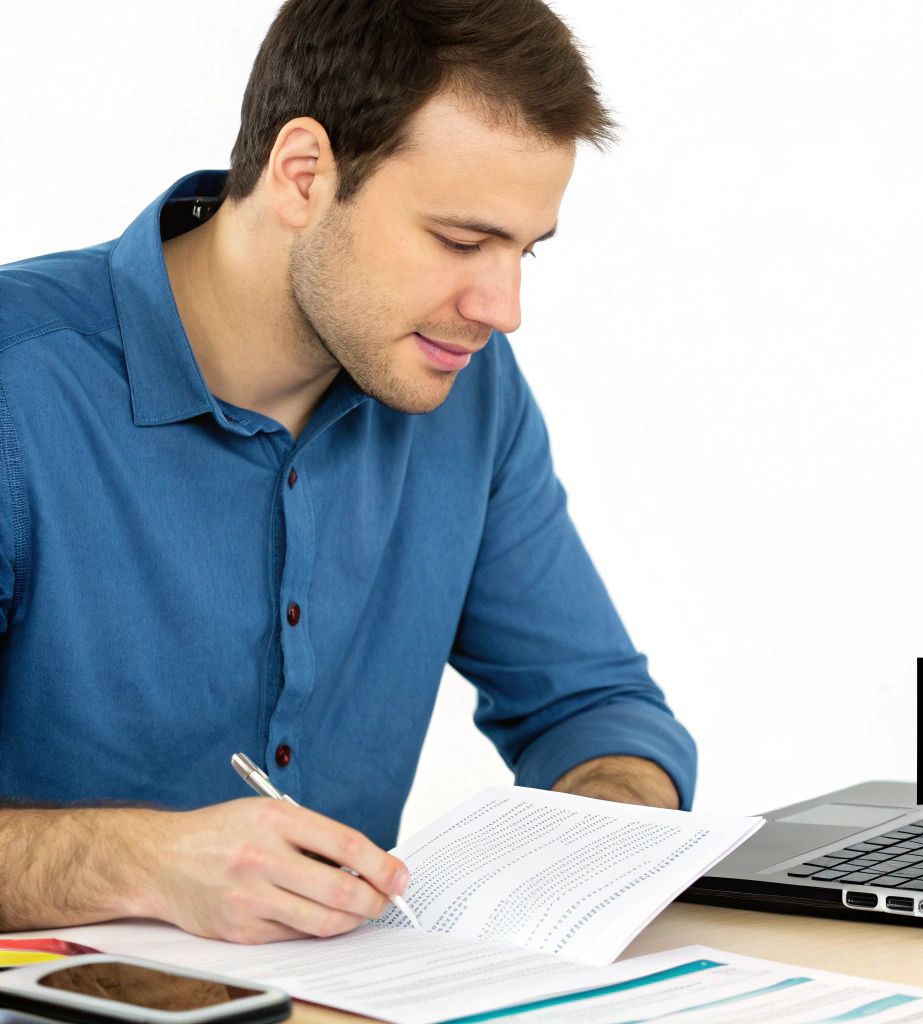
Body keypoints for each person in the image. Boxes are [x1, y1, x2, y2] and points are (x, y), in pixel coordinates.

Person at [0, 0, 695, 943]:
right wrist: (144, 863)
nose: (503, 307)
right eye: (459, 241)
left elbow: (591, 706)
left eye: (524, 251)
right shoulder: (20, 387)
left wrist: (604, 831)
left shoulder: (466, 391)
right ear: (303, 175)